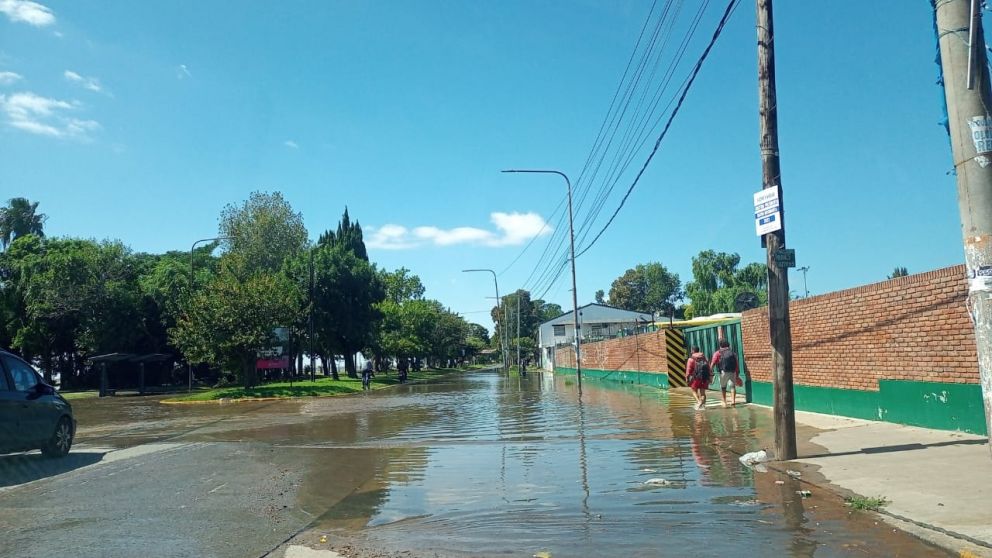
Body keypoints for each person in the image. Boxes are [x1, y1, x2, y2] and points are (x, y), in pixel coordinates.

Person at [711, 339, 741, 407]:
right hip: (732, 371)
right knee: (732, 387)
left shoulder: (718, 353)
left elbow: (713, 363)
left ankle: (724, 402)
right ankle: (733, 401)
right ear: (728, 345)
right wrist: (737, 373)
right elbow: (736, 364)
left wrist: (710, 371)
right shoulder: (732, 353)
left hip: (723, 372)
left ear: (720, 345)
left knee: (723, 387)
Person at [685, 346, 710, 410]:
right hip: (704, 377)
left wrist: (687, 378)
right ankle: (703, 406)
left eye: (691, 350)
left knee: (694, 391)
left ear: (693, 351)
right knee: (703, 393)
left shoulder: (691, 359)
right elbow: (708, 367)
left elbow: (688, 370)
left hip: (695, 378)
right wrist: (709, 376)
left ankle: (699, 402)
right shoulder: (704, 358)